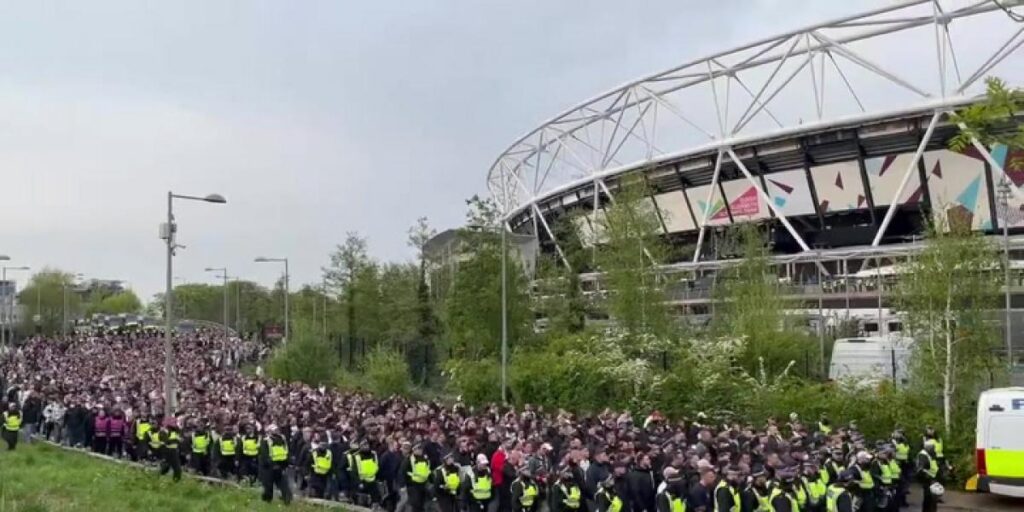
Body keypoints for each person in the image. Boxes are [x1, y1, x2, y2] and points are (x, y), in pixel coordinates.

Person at [258, 424, 293, 505]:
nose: (276, 431)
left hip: (280, 467)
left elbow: (286, 451)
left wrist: (288, 463)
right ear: (269, 431)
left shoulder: (282, 439)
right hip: (269, 468)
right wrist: (272, 464)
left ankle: (287, 502)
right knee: (268, 488)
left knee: (284, 486)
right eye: (274, 430)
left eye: (277, 429)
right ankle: (267, 503)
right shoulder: (266, 440)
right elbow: (264, 455)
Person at [350, 438, 382, 507]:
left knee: (375, 500)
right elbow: (354, 471)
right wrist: (359, 482)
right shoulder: (356, 456)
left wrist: (378, 478)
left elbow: (377, 465)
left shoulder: (374, 454)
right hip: (362, 481)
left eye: (366, 445)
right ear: (360, 447)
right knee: (362, 502)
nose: (366, 446)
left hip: (373, 480)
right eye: (363, 445)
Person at [400, 442, 431, 512]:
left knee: (421, 504)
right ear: (414, 450)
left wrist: (431, 481)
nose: (420, 450)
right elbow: (403, 472)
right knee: (416, 504)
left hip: (423, 484)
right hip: (412, 485)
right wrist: (403, 485)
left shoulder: (425, 459)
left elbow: (428, 470)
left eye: (421, 449)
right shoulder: (409, 459)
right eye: (418, 449)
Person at [915, 440, 940, 512]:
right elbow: (921, 469)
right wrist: (929, 477)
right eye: (933, 448)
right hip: (928, 480)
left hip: (932, 479)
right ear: (928, 448)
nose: (934, 449)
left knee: (932, 500)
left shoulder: (929, 454)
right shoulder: (923, 455)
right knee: (929, 500)